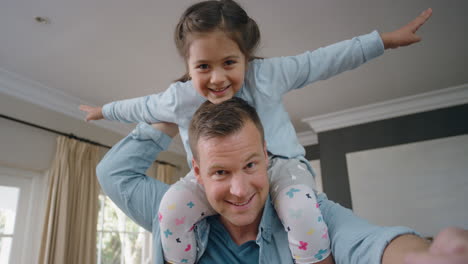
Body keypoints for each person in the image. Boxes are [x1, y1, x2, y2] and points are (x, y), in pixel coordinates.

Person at [81, 1, 433, 263]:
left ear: (246, 58)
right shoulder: (179, 100)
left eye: (229, 63)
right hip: (196, 181)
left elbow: (321, 61)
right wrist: (107, 110)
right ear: (188, 67)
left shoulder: (266, 76)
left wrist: (382, 41)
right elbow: (138, 107)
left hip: (285, 170)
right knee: (172, 206)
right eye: (204, 67)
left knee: (300, 210)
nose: (217, 78)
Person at [96, 97, 468, 264]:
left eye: (251, 165)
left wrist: (424, 257)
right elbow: (112, 173)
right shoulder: (174, 211)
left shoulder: (306, 210)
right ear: (197, 171)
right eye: (221, 172)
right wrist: (169, 109)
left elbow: (367, 242)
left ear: (268, 156)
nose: (240, 191)